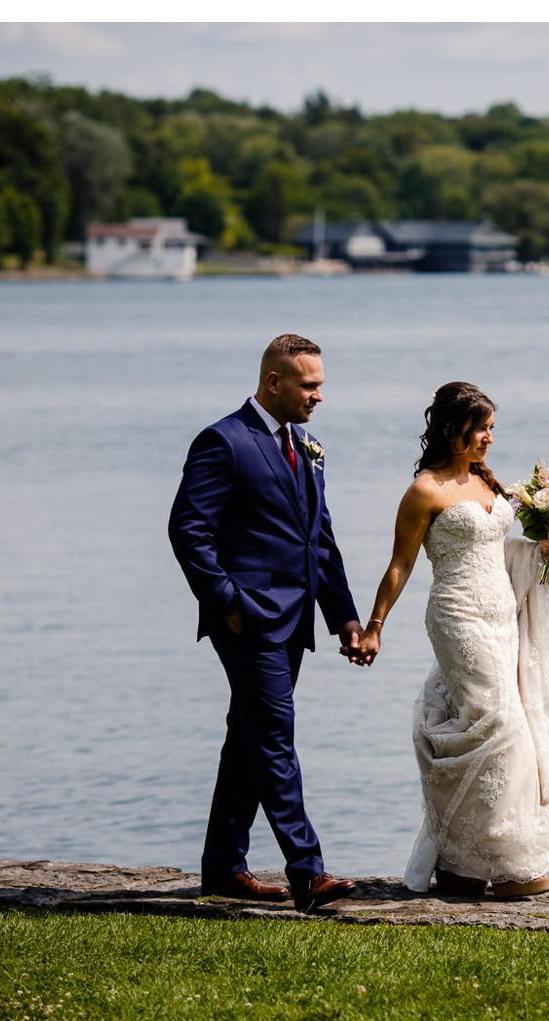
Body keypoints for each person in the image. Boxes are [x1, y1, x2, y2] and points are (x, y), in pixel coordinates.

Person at [349, 382, 549, 899]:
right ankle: (487, 857)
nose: (490, 440)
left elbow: (504, 548)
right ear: (452, 430)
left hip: (503, 615)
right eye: (482, 429)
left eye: (493, 429)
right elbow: (400, 565)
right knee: (499, 724)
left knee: (505, 721)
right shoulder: (424, 491)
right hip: (458, 616)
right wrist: (375, 626)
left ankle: (472, 863)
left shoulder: (487, 484)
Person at [168, 334, 366, 912]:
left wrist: (345, 617)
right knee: (276, 738)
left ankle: (223, 867)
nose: (319, 396)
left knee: (249, 739)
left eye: (321, 385)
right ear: (274, 382)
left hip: (295, 621)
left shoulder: (308, 447)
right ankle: (308, 872)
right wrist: (228, 601)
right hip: (248, 621)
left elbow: (318, 540)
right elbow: (188, 531)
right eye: (309, 385)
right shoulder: (223, 441)